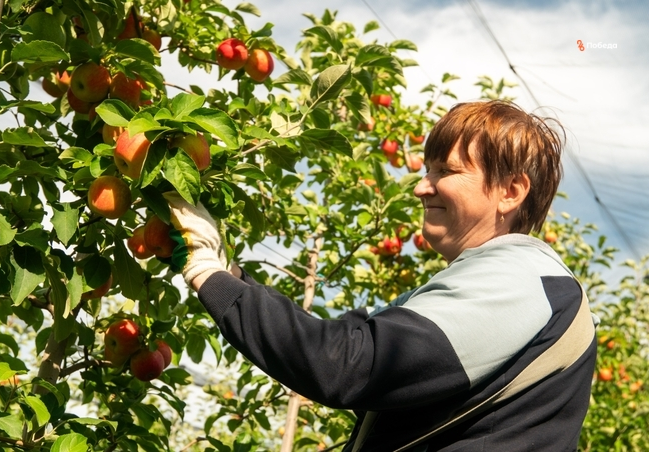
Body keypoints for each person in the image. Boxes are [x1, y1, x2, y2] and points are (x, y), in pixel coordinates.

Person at [165, 100, 597, 451]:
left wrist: (212, 275)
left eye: (445, 171)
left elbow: (349, 364)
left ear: (511, 191)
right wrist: (233, 276)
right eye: (427, 171)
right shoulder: (512, 283)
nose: (421, 187)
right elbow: (385, 379)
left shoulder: (517, 281)